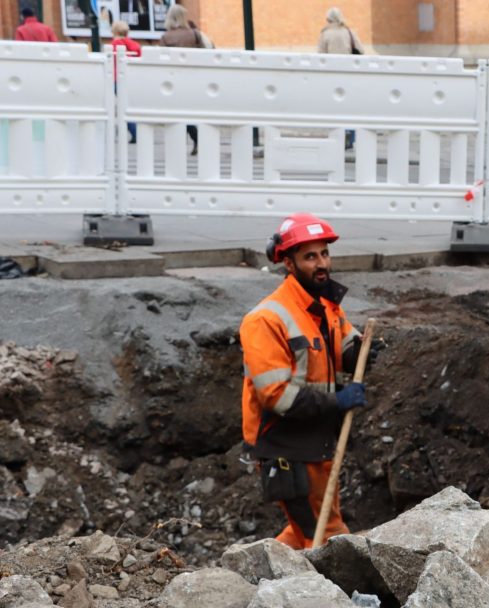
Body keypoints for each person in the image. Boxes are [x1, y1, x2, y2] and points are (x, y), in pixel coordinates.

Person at [239, 213, 369, 550]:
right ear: (288, 262)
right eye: (310, 256)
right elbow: (276, 396)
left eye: (324, 253)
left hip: (317, 438)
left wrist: (366, 350)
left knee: (305, 532)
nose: (321, 263)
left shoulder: (323, 305)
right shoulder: (265, 320)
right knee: (328, 534)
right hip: (285, 446)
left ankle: (261, 574)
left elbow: (344, 347)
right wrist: (338, 401)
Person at [160, 4, 208, 154]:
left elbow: (160, 59)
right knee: (189, 112)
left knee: (177, 113)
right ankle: (197, 140)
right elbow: (204, 54)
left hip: (173, 79)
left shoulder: (166, 37)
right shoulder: (195, 34)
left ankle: (186, 142)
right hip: (193, 78)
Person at [318, 8, 363, 150]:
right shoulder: (349, 32)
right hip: (348, 74)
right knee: (349, 108)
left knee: (334, 108)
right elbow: (361, 51)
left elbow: (320, 56)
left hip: (332, 76)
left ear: (329, 20)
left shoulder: (325, 34)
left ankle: (337, 136)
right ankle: (351, 135)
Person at [110, 21, 142, 144]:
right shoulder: (135, 45)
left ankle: (134, 131)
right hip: (132, 78)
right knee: (130, 106)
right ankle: (134, 131)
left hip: (117, 78)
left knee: (122, 107)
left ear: (114, 31)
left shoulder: (113, 45)